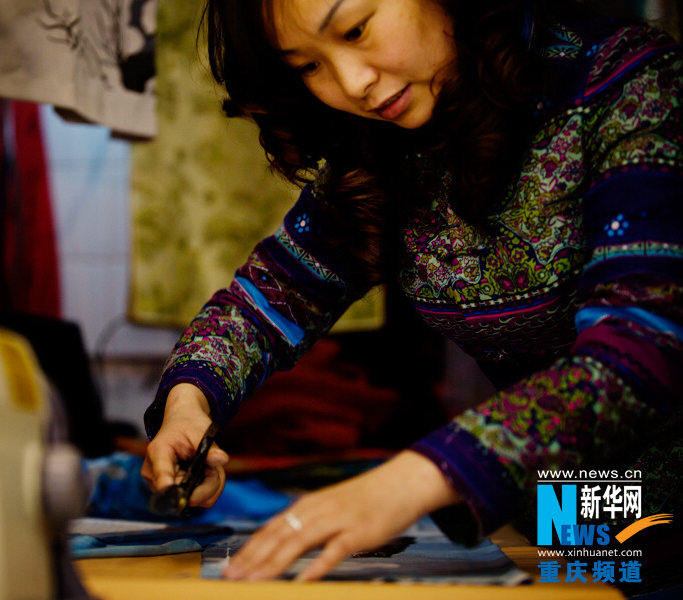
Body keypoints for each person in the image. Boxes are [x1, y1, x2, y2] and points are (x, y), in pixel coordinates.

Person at [141, 0, 683, 589]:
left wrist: (416, 477)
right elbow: (268, 301)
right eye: (308, 66)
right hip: (580, 507)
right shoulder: (387, 147)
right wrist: (189, 405)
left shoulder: (631, 87)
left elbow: (643, 344)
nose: (353, 83)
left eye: (356, 29)